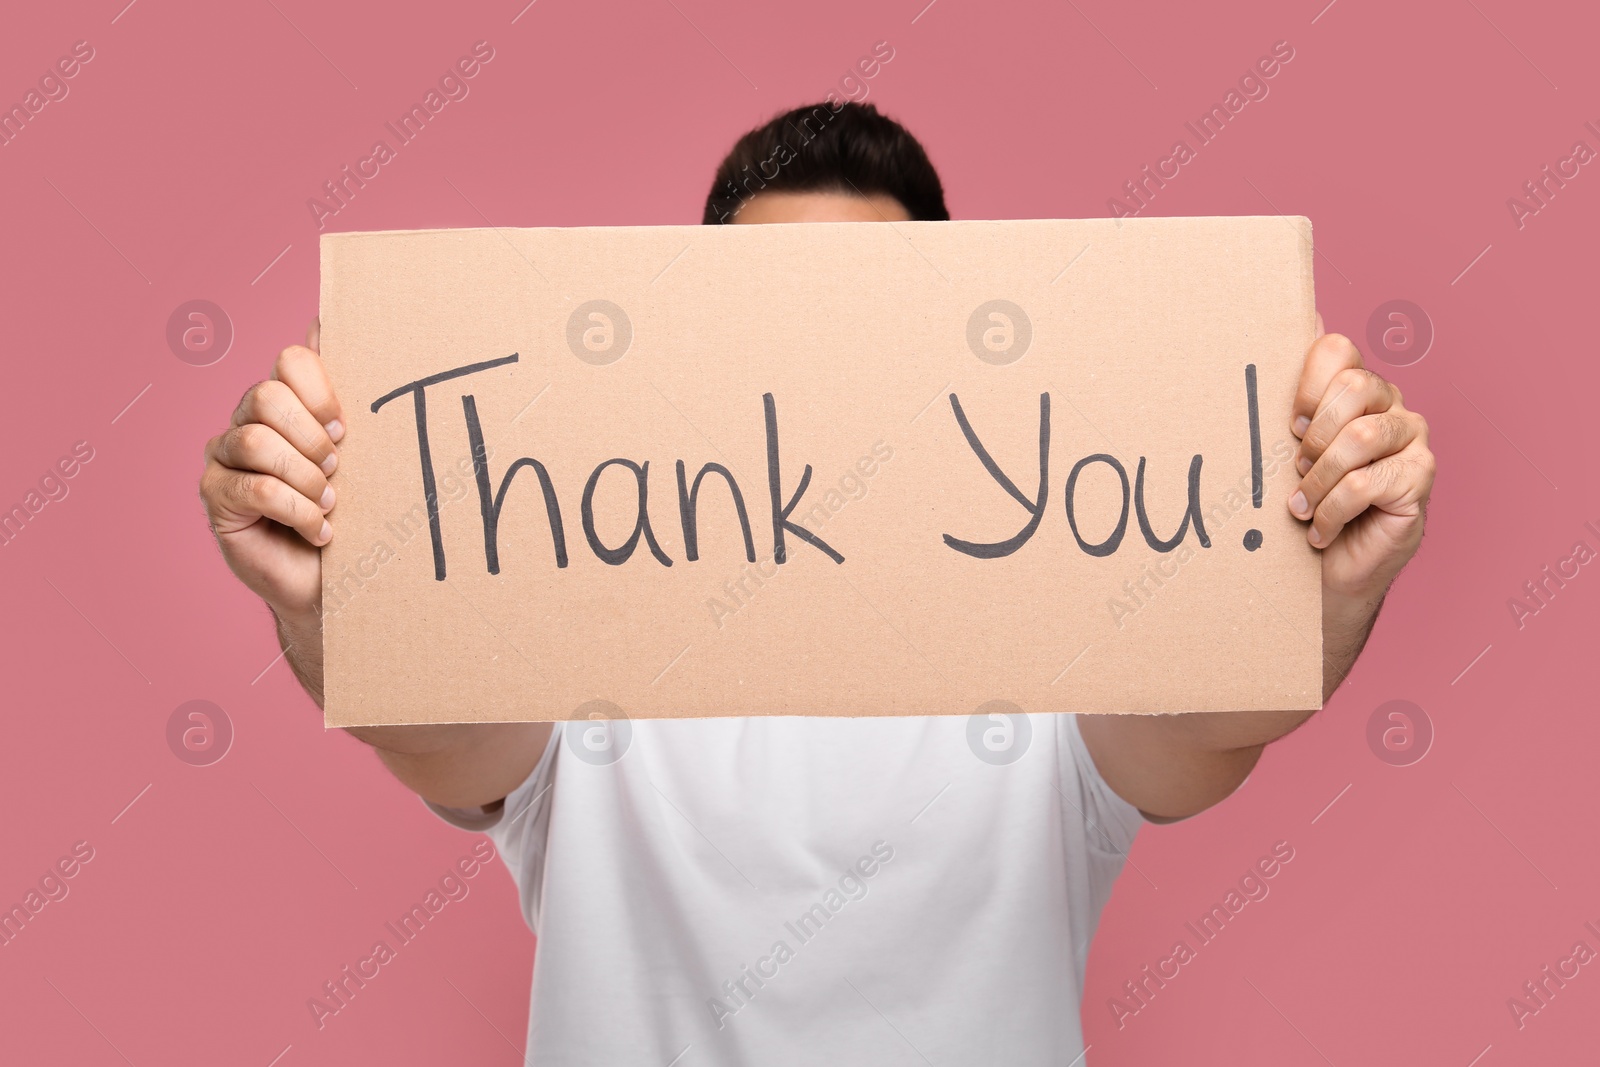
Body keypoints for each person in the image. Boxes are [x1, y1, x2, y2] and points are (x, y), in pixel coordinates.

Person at [199, 102, 1435, 1064]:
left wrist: (1324, 597)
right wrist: (328, 599)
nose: (819, 358)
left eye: (866, 311)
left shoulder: (1052, 613)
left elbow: (1202, 724)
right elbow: (444, 724)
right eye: (770, 312)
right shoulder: (579, 614)